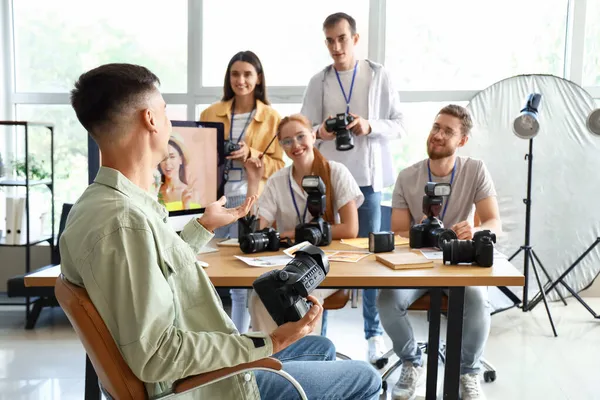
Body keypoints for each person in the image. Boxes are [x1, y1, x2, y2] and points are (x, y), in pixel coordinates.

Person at [60, 63, 381, 400]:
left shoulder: (111, 204)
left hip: (197, 368)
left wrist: (203, 227)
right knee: (366, 378)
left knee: (321, 347)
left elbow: (154, 270)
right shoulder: (122, 223)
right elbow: (157, 356)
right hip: (199, 386)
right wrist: (272, 341)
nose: (169, 122)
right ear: (150, 119)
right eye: (165, 110)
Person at [300, 11, 406, 364]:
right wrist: (322, 131)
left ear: (355, 39)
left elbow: (399, 125)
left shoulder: (378, 75)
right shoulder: (320, 81)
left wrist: (368, 125)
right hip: (330, 183)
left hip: (368, 182)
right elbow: (306, 128)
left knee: (371, 259)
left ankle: (373, 334)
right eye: (329, 40)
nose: (336, 46)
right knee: (322, 256)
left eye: (342, 38)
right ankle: (319, 336)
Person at [378, 104, 501, 400]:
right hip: (417, 265)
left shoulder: (475, 169)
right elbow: (398, 230)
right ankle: (411, 360)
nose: (438, 135)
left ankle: (467, 371)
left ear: (462, 140)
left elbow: (494, 220)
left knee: (477, 301)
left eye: (448, 131)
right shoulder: (408, 176)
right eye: (436, 127)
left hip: (458, 262)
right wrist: (419, 230)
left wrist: (477, 231)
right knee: (386, 301)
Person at [245, 113, 364, 334]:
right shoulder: (277, 181)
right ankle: (267, 361)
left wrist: (294, 234)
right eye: (287, 141)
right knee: (260, 296)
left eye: (301, 136)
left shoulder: (335, 172)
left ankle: (306, 361)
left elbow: (350, 228)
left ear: (313, 135)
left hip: (326, 264)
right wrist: (254, 180)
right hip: (289, 265)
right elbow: (259, 229)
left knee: (297, 300)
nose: (295, 145)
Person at [200, 51, 284, 334]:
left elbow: (278, 166)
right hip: (216, 199)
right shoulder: (211, 113)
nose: (241, 80)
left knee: (241, 276)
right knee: (209, 270)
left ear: (258, 78)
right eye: (235, 74)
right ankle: (217, 336)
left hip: (250, 199)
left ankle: (240, 340)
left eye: (248, 74)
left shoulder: (272, 118)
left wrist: (252, 153)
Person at [157, 134, 201, 211]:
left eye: (172, 157)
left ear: (181, 159)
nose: (167, 162)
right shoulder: (155, 192)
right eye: (163, 158)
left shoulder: (192, 194)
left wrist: (186, 206)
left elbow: (195, 220)